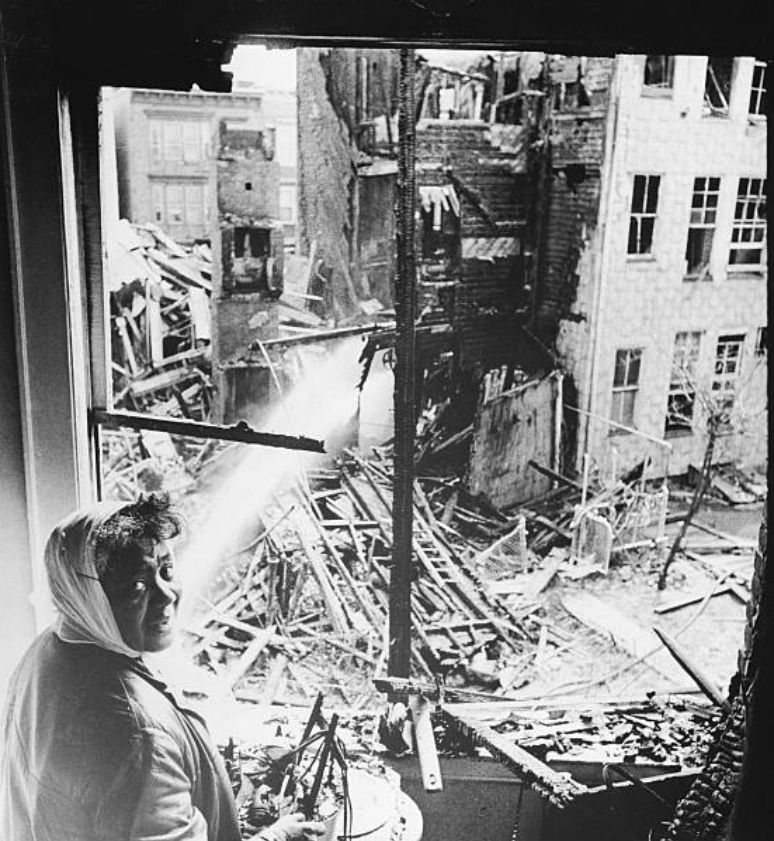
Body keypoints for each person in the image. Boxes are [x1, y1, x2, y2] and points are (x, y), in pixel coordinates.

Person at [0, 494, 325, 841]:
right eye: (137, 586)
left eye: (167, 570)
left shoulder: (49, 650)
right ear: (89, 598)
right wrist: (279, 836)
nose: (167, 594)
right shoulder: (135, 734)